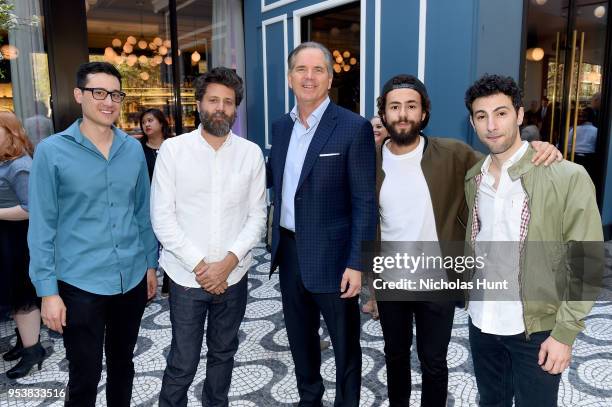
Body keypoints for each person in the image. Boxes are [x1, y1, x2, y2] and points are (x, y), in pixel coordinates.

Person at [372, 74, 562, 406]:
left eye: (411, 106)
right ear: (384, 114)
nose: (403, 114)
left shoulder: (453, 153)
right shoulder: (368, 159)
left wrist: (537, 147)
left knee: (434, 362)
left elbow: (503, 159)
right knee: (395, 356)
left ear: (424, 113)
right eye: (395, 107)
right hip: (391, 278)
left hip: (438, 280)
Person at [463, 74, 603, 406]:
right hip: (482, 321)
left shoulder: (567, 176)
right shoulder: (474, 178)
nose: (492, 125)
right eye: (481, 116)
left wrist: (565, 334)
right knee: (491, 401)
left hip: (536, 327)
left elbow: (587, 262)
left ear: (520, 115)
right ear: (472, 121)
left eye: (501, 113)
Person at [27, 61, 158, 406]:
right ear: (78, 95)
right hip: (79, 284)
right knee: (85, 373)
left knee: (122, 364)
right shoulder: (51, 151)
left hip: (130, 277)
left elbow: (142, 212)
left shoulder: (132, 148)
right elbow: (42, 226)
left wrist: (150, 264)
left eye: (115, 94)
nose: (108, 101)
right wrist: (47, 292)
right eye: (98, 92)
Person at [267, 41, 377, 406]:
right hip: (290, 252)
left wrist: (357, 264)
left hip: (335, 259)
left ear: (329, 78)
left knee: (345, 346)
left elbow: (364, 201)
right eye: (301, 69)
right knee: (300, 340)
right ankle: (309, 400)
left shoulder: (352, 127)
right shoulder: (280, 127)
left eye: (318, 70)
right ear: (289, 77)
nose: (308, 77)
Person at [153, 67, 266, 407]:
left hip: (234, 278)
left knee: (224, 354)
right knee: (183, 361)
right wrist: (204, 268)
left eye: (228, 102)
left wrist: (227, 264)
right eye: (213, 100)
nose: (221, 108)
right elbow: (162, 217)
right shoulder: (173, 151)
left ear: (236, 109)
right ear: (199, 104)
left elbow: (257, 215)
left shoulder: (251, 153)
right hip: (187, 278)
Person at [0, 112, 47, 379]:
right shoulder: (6, 162)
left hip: (19, 240)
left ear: (11, 131)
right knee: (15, 295)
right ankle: (23, 342)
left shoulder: (20, 165)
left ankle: (34, 350)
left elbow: (32, 209)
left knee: (23, 296)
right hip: (7, 238)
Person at [139, 108, 172, 296]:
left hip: (170, 203)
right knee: (149, 242)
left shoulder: (173, 146)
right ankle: (148, 281)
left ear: (161, 122)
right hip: (147, 204)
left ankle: (170, 281)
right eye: (144, 122)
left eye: (151, 120)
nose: (147, 125)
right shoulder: (138, 149)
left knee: (169, 241)